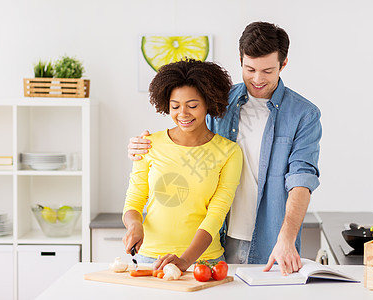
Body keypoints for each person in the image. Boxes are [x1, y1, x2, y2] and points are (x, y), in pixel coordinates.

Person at [127, 21, 322, 275]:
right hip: (214, 239)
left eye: (268, 71)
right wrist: (142, 145)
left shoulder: (303, 114)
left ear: (283, 64)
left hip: (271, 240)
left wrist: (286, 237)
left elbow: (301, 180)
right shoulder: (219, 101)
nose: (257, 79)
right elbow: (188, 136)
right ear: (240, 59)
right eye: (250, 68)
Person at [122, 58, 243, 272]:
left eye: (193, 105)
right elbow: (135, 198)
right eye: (175, 106)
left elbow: (217, 213)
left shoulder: (229, 152)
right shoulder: (149, 144)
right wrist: (135, 226)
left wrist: (186, 260)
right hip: (149, 258)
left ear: (208, 102)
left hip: (205, 262)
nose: (183, 114)